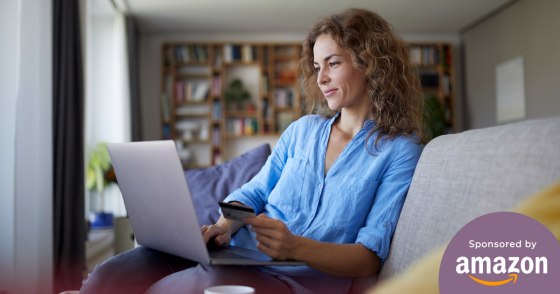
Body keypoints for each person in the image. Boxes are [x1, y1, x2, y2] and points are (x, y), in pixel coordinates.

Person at [80, 8, 424, 294]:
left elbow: (369, 256)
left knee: (197, 285)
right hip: (237, 254)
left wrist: (295, 248)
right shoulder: (302, 131)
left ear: (369, 62)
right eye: (318, 67)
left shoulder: (399, 151)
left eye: (332, 63)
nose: (320, 79)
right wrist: (224, 226)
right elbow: (256, 191)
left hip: (294, 281)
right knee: (107, 278)